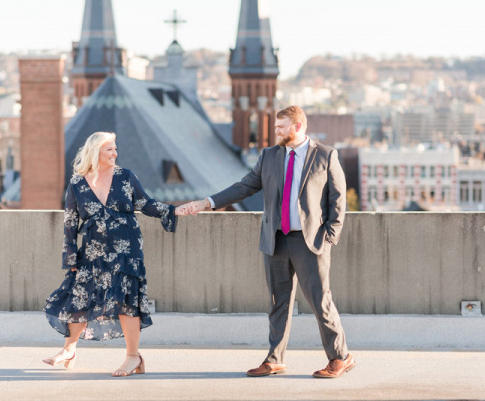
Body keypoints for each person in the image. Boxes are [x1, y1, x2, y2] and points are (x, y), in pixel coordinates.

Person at [181, 106, 355, 378]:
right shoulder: (269, 155)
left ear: (298, 127)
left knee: (320, 301)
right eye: (276, 126)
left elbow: (338, 200)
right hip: (275, 240)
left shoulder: (325, 155)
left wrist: (330, 236)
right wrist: (207, 203)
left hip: (310, 242)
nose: (276, 131)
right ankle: (275, 359)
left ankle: (340, 357)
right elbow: (244, 186)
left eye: (281, 126)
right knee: (278, 302)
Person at [43, 131, 185, 377]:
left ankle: (133, 357)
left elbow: (145, 204)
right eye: (110, 149)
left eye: (115, 149)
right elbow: (70, 221)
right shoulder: (77, 183)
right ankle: (69, 349)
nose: (115, 153)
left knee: (126, 302)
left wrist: (175, 211)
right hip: (92, 250)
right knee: (80, 297)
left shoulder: (125, 177)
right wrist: (70, 256)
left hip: (126, 250)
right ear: (95, 151)